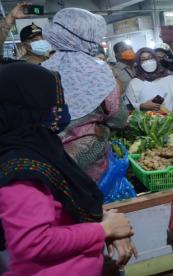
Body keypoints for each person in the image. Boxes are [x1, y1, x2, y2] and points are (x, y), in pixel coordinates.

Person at [0, 62, 136, 274]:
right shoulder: (21, 170)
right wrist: (104, 229)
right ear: (28, 107)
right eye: (52, 102)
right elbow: (33, 243)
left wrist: (106, 225)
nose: (61, 110)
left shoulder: (40, 148)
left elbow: (65, 210)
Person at [42, 8, 128, 183]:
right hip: (89, 161)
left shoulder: (39, 70)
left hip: (45, 160)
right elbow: (118, 118)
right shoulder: (99, 71)